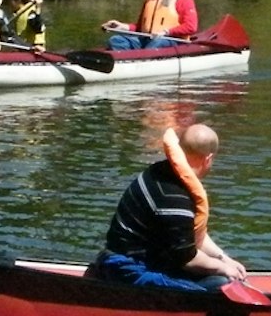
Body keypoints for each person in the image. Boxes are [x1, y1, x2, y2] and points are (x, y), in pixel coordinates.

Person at [87, 123, 249, 292]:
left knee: (219, 276)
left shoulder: (161, 171)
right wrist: (223, 268)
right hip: (127, 269)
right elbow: (188, 259)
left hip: (143, 260)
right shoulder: (175, 197)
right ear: (208, 159)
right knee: (220, 286)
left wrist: (223, 259)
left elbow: (193, 235)